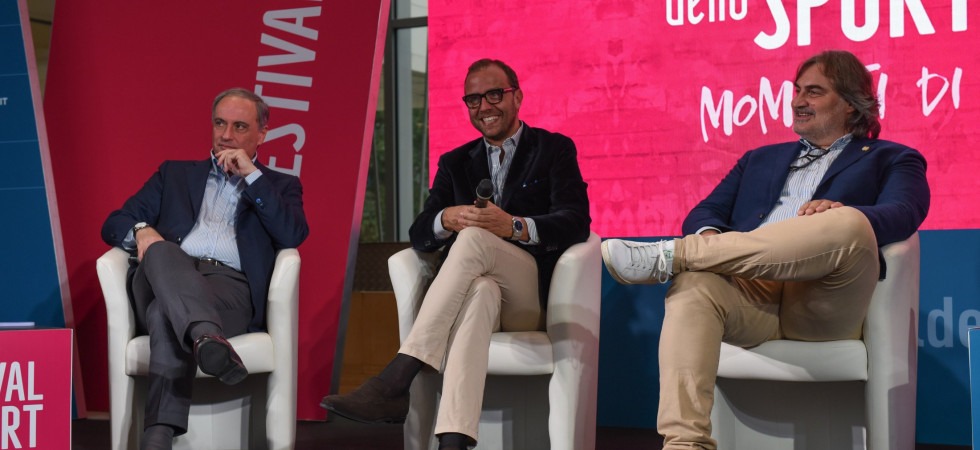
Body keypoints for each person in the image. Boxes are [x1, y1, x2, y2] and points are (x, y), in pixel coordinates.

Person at [601, 50, 929, 449]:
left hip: (822, 299)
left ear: (850, 103)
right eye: (796, 90)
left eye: (813, 92)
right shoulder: (759, 159)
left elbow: (905, 211)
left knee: (848, 222)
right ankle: (685, 444)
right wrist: (709, 236)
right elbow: (706, 211)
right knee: (692, 287)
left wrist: (843, 213)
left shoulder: (892, 158)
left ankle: (673, 255)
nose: (798, 101)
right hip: (753, 294)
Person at [320, 58, 591, 449]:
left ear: (517, 97)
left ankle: (398, 376)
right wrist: (445, 218)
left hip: (528, 295)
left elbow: (575, 221)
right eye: (473, 99)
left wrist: (513, 225)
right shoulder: (455, 162)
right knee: (481, 290)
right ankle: (453, 440)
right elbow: (419, 234)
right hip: (481, 294)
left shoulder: (553, 149)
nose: (484, 107)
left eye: (494, 94)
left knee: (475, 238)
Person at [101, 88, 309, 450]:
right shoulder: (174, 174)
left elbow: (292, 234)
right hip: (163, 275)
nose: (226, 135)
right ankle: (207, 338)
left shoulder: (279, 185)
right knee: (162, 250)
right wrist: (142, 230)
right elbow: (115, 222)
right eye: (219, 123)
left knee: (164, 313)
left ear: (261, 134)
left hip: (228, 289)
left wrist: (252, 176)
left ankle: (158, 436)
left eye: (239, 126)